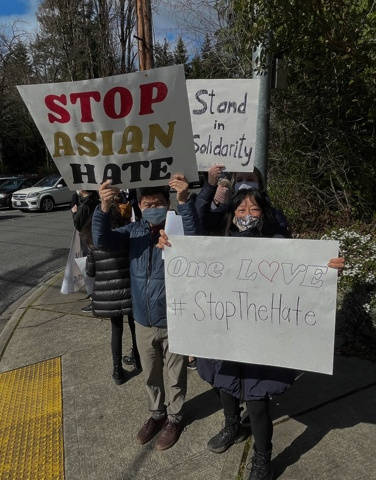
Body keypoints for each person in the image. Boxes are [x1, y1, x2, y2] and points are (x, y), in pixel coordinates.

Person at [157, 188, 344, 480]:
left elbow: (304, 275)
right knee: (226, 390)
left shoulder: (279, 245)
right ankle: (232, 425)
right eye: (241, 210)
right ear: (232, 215)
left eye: (253, 210)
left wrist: (329, 269)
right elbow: (192, 262)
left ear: (264, 213)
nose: (246, 216)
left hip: (261, 347)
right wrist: (172, 247)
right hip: (226, 339)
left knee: (257, 405)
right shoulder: (218, 245)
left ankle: (262, 457)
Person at [91, 174, 197, 451]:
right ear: (139, 206)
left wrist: (184, 201)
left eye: (159, 203)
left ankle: (175, 418)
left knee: (175, 375)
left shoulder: (177, 229)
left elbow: (197, 239)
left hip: (173, 317)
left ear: (168, 202)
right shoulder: (133, 232)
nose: (154, 208)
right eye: (148, 204)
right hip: (143, 319)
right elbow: (101, 239)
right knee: (150, 372)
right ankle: (156, 414)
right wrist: (103, 208)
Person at [84, 196, 141, 385]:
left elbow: (90, 272)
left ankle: (117, 371)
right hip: (130, 291)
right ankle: (139, 360)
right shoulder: (126, 238)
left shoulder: (94, 244)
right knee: (135, 326)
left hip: (109, 297)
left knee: (116, 330)